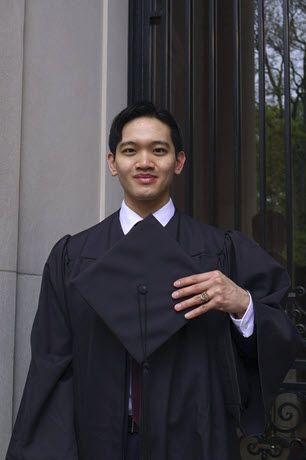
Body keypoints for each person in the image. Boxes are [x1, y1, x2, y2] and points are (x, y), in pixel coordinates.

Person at [6, 101, 301, 460]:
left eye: (158, 150)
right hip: (95, 442)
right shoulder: (72, 258)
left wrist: (243, 306)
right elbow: (52, 368)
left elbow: (283, 336)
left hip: (194, 442)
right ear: (112, 163)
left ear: (178, 161)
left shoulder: (221, 253)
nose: (144, 162)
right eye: (130, 151)